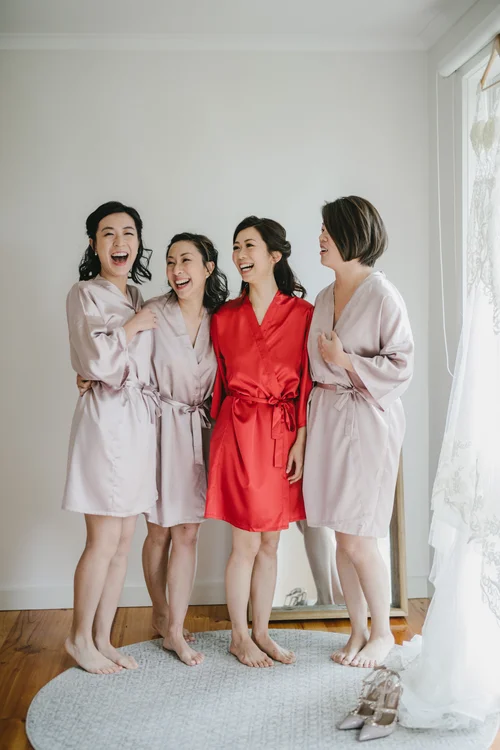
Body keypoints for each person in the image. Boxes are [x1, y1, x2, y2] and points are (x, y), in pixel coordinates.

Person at [303, 196, 413, 668]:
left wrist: (346, 360)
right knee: (339, 534)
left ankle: (383, 632)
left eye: (328, 231)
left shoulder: (383, 295)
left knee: (359, 537)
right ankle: (357, 631)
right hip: (329, 418)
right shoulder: (323, 298)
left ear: (353, 235)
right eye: (322, 230)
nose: (320, 238)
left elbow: (402, 367)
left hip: (368, 423)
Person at [205, 216, 313, 668]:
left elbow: (308, 382)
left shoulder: (303, 314)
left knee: (271, 543)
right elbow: (212, 379)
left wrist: (300, 439)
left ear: (275, 255)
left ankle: (262, 632)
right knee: (245, 543)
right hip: (238, 432)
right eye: (236, 247)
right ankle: (238, 635)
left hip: (281, 433)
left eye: (249, 245)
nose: (240, 255)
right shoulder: (224, 317)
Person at [63, 201, 158, 674]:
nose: (120, 242)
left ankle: (102, 637)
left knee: (123, 540)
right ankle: (78, 637)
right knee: (102, 538)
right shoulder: (83, 294)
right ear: (93, 244)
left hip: (138, 424)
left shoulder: (140, 296)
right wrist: (131, 328)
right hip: (104, 423)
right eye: (108, 233)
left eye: (128, 233)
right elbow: (95, 360)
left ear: (138, 241)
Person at [142, 233, 228, 666]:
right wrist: (88, 376)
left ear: (208, 267)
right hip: (157, 429)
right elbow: (128, 366)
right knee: (159, 531)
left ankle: (175, 628)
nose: (177, 270)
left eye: (187, 260)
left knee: (188, 532)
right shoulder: (153, 313)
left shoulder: (222, 320)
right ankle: (161, 612)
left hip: (200, 431)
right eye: (171, 261)